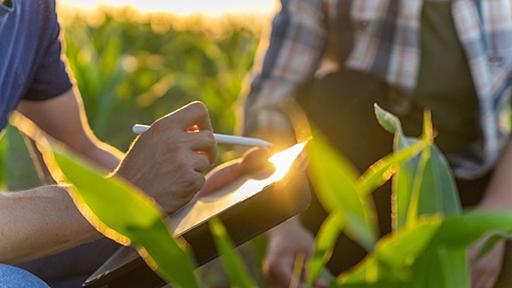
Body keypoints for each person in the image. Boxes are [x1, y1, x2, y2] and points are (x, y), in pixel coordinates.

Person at [240, 0, 512, 287]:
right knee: (337, 95)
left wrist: (493, 218)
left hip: (473, 186)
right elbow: (270, 105)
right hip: (361, 184)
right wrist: (283, 225)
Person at [0, 0, 227, 286]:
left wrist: (194, 200)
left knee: (142, 249)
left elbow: (77, 148)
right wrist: (124, 193)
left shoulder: (33, 10)